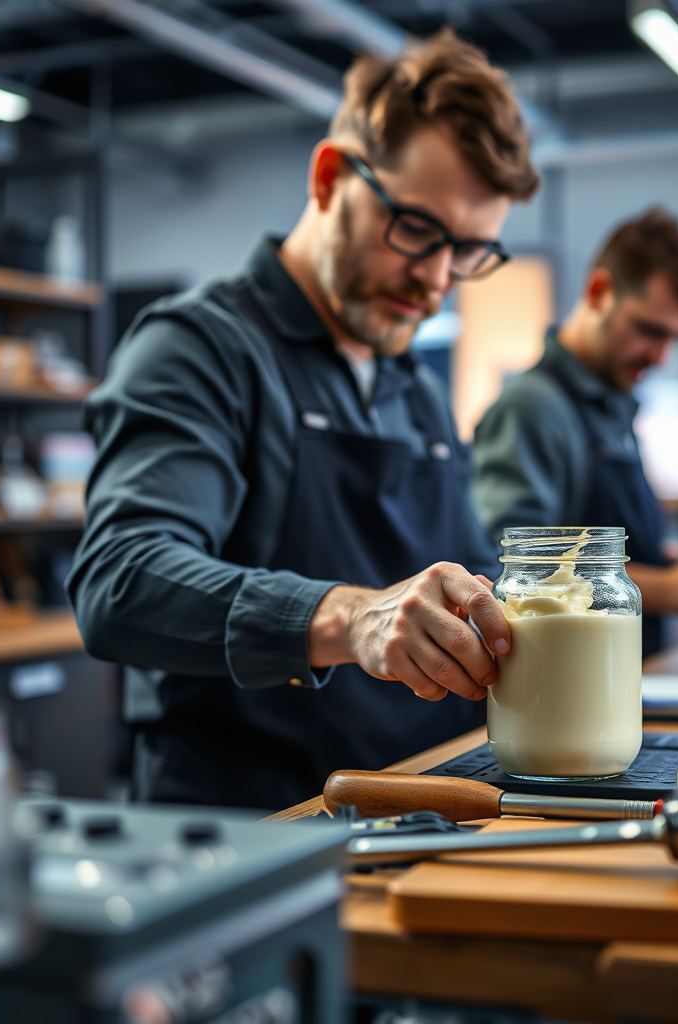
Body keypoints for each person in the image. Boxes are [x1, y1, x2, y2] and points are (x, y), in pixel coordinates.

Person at [67, 30, 540, 812]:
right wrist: (352, 617)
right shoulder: (200, 346)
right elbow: (120, 579)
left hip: (415, 810)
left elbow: (457, 576)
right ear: (329, 178)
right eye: (417, 230)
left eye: (467, 252)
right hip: (250, 828)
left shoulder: (412, 386)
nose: (434, 279)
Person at [472, 209, 678, 657]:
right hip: (565, 695)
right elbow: (515, 576)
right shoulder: (531, 410)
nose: (661, 357)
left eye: (674, 340)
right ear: (599, 292)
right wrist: (670, 588)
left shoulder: (612, 406)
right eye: (649, 330)